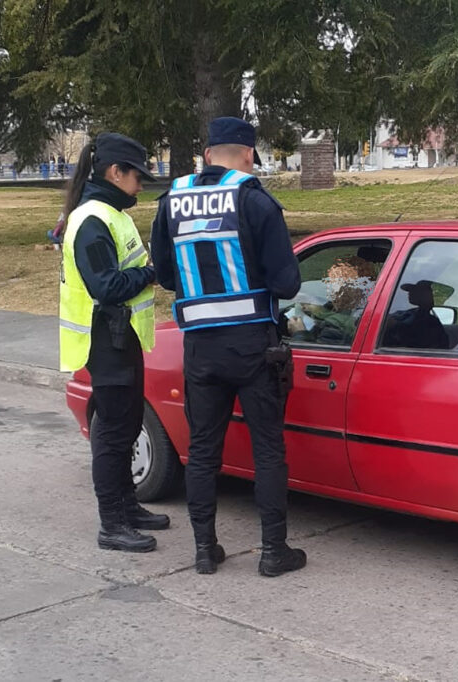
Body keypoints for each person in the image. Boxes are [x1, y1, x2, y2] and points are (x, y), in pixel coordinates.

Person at [151, 116, 304, 577]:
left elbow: (166, 274)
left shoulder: (172, 200)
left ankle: (204, 550)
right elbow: (288, 283)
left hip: (200, 347)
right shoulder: (254, 200)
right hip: (254, 345)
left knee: (202, 450)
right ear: (249, 154)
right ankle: (273, 552)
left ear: (207, 153)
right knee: (267, 449)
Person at [58, 132, 169, 552]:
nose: (140, 185)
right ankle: (112, 523)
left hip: (123, 338)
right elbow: (106, 286)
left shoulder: (112, 214)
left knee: (127, 427)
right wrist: (152, 272)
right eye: (137, 176)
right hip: (105, 340)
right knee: (112, 435)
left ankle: (128, 507)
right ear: (115, 172)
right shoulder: (92, 220)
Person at [383, 280, 450, 350]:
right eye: (410, 291)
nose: (409, 293)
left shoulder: (429, 322)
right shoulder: (408, 313)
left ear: (424, 296)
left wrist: (395, 324)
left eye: (414, 291)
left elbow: (411, 335)